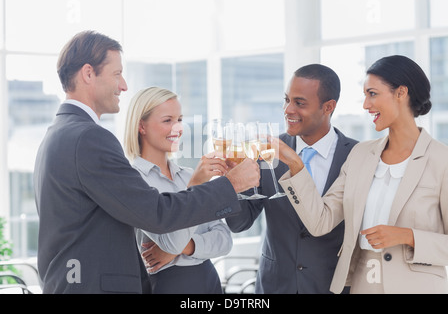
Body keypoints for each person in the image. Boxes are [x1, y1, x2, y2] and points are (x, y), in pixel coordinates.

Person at [33, 30, 260, 294]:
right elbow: (156, 213)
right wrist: (229, 185)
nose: (124, 85)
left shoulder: (58, 134)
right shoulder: (89, 137)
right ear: (88, 73)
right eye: (117, 74)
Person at [276, 55, 448, 294]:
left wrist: (408, 236)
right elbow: (320, 221)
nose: (366, 105)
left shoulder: (442, 160)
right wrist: (295, 165)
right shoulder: (360, 154)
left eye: (373, 94)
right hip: (362, 286)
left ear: (401, 93)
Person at [226, 64, 358, 293]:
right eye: (286, 100)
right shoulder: (267, 152)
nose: (288, 110)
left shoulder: (356, 156)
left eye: (299, 103)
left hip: (331, 286)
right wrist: (232, 183)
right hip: (275, 286)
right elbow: (239, 223)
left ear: (328, 107)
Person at [123, 86, 232, 293]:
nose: (178, 128)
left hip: (208, 281)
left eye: (180, 119)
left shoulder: (188, 175)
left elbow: (224, 239)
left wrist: (187, 247)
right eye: (168, 120)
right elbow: (172, 242)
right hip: (167, 285)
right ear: (142, 127)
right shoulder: (134, 180)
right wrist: (197, 187)